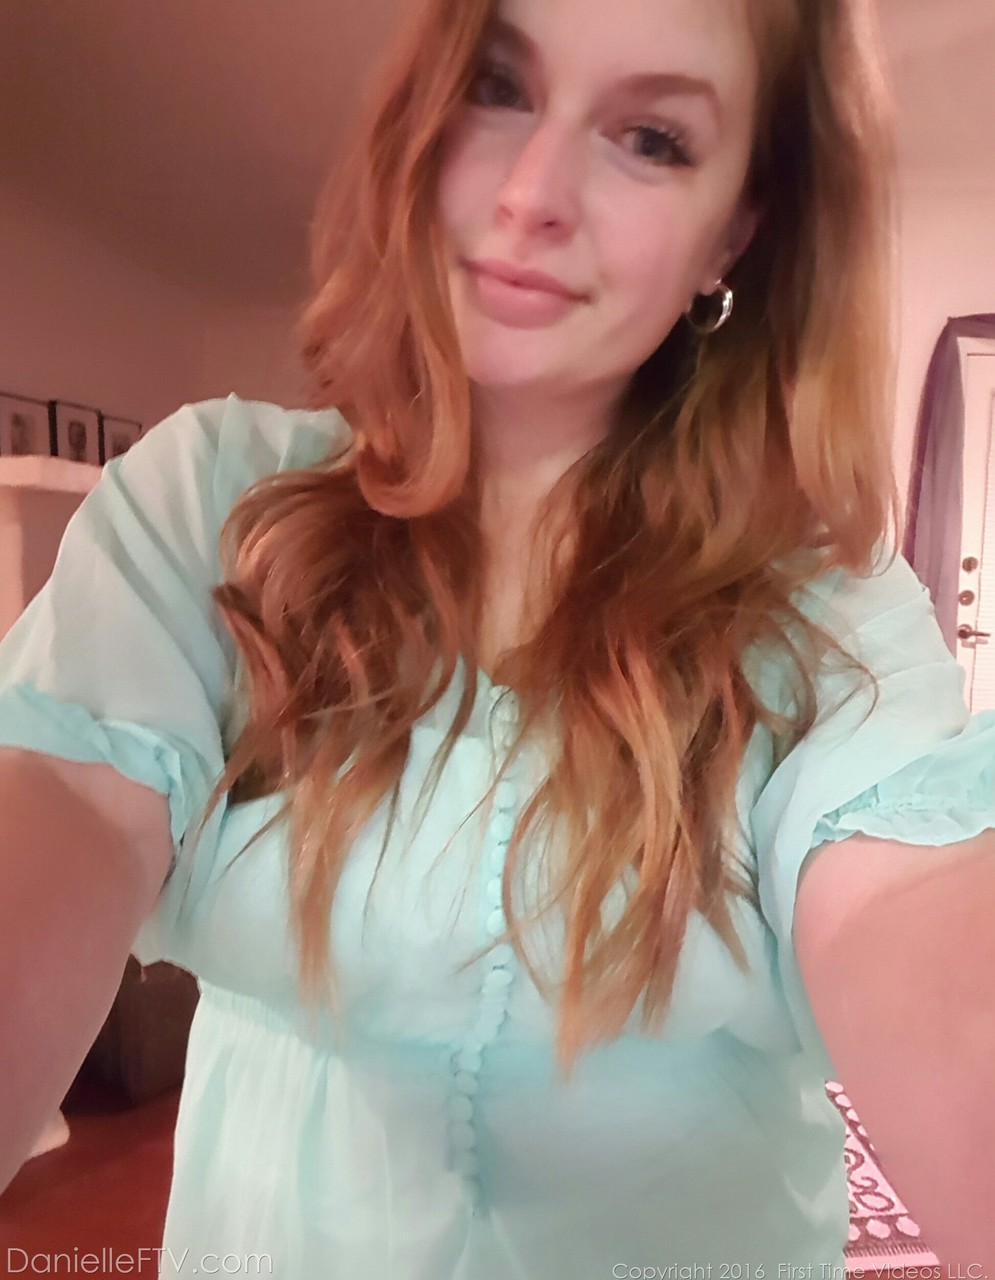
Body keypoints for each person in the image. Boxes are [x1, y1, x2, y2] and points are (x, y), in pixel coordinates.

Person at [1, 0, 993, 1272]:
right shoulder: (205, 513)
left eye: (649, 138)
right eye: (497, 85)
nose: (532, 194)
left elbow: (900, 900)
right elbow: (67, 801)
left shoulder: (824, 613)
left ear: (733, 231)